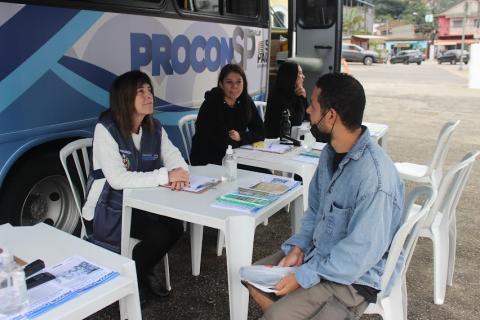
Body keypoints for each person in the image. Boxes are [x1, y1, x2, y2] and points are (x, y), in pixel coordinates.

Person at [246, 73, 405, 320]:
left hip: (354, 278)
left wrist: (303, 275)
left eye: (313, 105)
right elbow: (316, 213)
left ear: (331, 116)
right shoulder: (330, 153)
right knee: (251, 276)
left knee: (276, 315)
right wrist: (299, 248)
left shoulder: (374, 178)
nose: (308, 110)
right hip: (321, 253)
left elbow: (359, 254)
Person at [82, 70, 189, 302]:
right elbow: (117, 179)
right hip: (109, 207)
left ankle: (140, 269)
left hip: (142, 202)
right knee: (159, 235)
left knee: (176, 228)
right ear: (124, 98)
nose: (149, 95)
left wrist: (180, 172)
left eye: (149, 90)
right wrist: (165, 176)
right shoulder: (106, 128)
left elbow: (173, 156)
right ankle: (139, 275)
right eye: (140, 91)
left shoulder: (153, 127)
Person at [190, 64, 265, 165]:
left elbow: (261, 132)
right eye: (229, 82)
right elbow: (221, 141)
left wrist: (241, 136)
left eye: (239, 82)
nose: (234, 87)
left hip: (235, 156)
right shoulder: (211, 103)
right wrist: (244, 139)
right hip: (209, 160)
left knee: (265, 173)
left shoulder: (245, 100)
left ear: (244, 83)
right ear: (221, 84)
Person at [264, 61, 307, 138]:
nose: (303, 76)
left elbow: (308, 115)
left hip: (291, 137)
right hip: (275, 140)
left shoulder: (293, 91)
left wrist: (303, 97)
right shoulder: (278, 94)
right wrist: (300, 98)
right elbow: (297, 120)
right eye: (300, 73)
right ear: (291, 76)